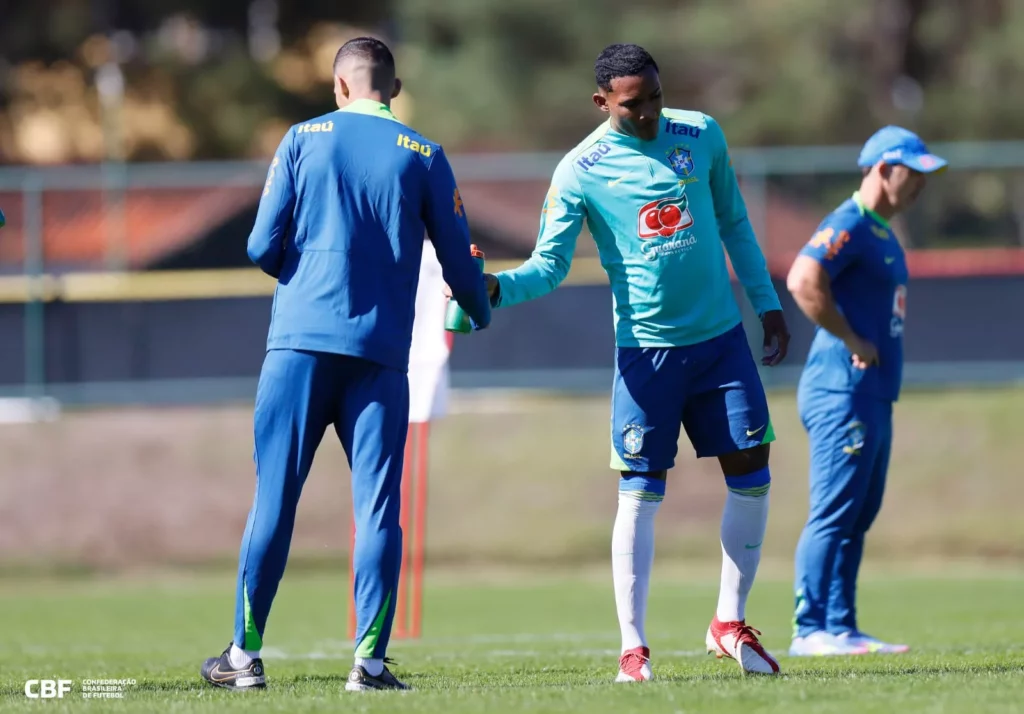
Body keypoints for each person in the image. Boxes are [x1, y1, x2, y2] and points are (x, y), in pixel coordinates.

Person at [484, 43, 790, 680]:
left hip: (722, 342)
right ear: (602, 102)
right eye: (633, 104)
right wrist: (496, 289)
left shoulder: (700, 134)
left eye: (654, 95)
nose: (649, 111)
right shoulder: (580, 170)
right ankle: (633, 648)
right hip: (646, 356)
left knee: (753, 471)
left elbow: (735, 222)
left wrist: (769, 305)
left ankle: (728, 622)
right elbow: (550, 266)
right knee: (641, 492)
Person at [200, 36, 491, 692]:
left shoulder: (303, 139)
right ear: (393, 86)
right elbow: (459, 263)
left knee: (274, 499)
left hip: (299, 347)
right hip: (380, 357)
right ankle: (369, 665)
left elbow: (258, 245)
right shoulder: (425, 155)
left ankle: (243, 659)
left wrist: (302, 277)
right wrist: (479, 309)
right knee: (379, 511)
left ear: (338, 87)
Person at [786, 126, 946, 657]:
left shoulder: (881, 232)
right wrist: (851, 336)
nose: (921, 185)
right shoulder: (849, 223)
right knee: (834, 510)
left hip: (874, 391)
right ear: (882, 168)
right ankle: (810, 630)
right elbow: (803, 279)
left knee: (860, 511)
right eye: (913, 173)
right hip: (841, 389)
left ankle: (841, 626)